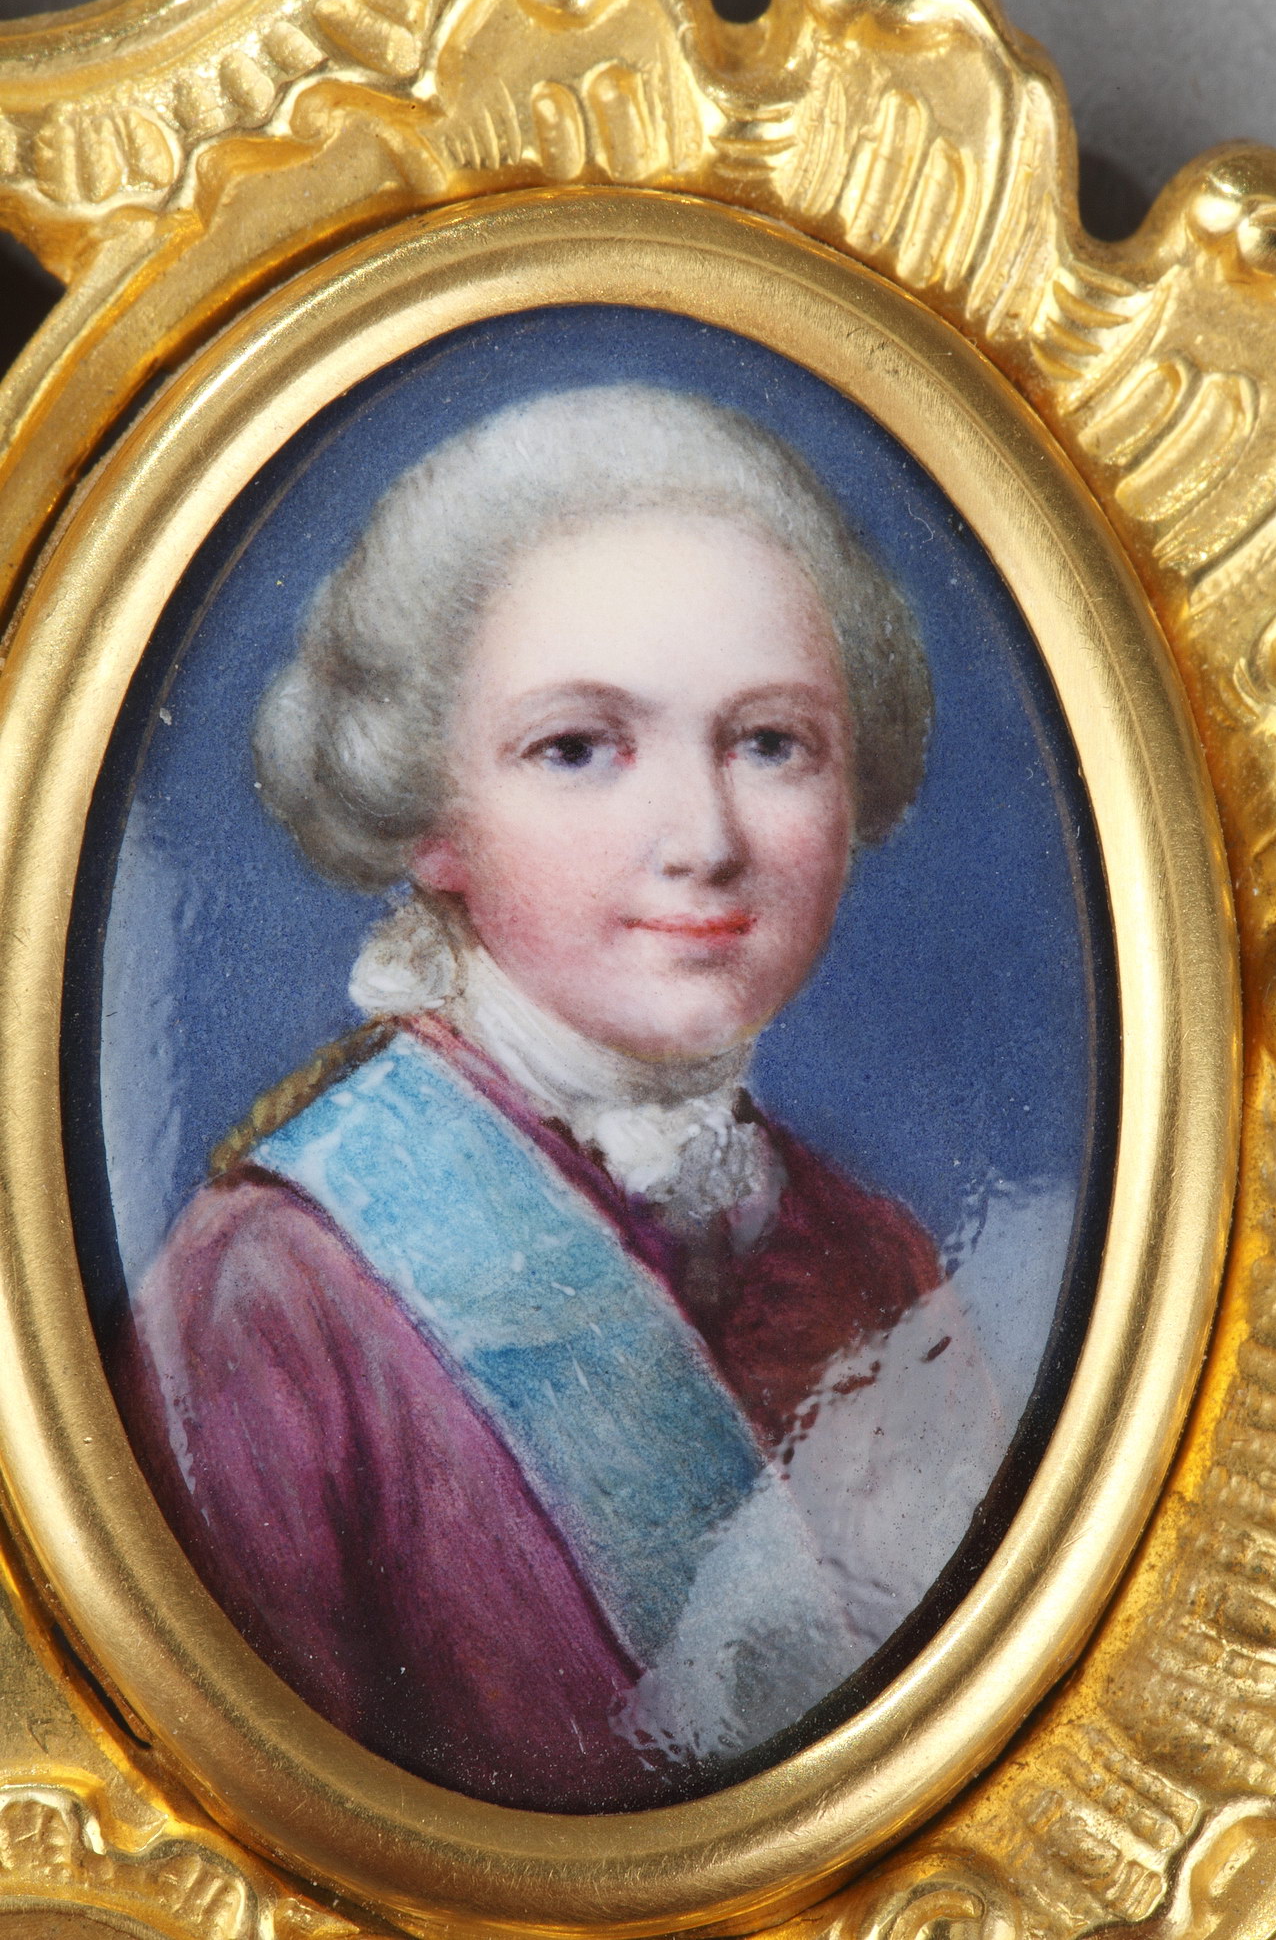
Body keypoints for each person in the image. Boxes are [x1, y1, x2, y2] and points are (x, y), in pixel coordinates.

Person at [110, 384, 1006, 1814]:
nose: (702, 841)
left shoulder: (878, 1259)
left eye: (771, 742)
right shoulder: (267, 1299)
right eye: (579, 748)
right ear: (431, 814)